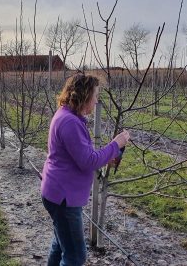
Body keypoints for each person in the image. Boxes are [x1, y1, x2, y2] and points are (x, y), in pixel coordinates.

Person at [41, 73, 130, 265]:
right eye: (95, 95)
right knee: (75, 255)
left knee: (61, 244)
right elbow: (88, 161)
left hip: (58, 192)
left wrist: (106, 158)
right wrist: (115, 144)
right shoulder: (70, 122)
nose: (97, 100)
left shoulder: (68, 115)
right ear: (84, 95)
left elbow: (80, 155)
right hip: (64, 198)